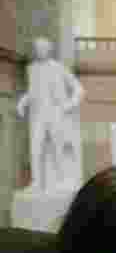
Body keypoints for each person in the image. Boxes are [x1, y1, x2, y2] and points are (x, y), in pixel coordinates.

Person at [15, 37, 84, 193]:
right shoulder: (31, 69)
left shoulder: (59, 68)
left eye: (43, 48)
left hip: (55, 113)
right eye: (37, 48)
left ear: (49, 50)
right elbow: (33, 91)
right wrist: (22, 103)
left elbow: (79, 89)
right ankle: (37, 182)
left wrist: (68, 105)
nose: (40, 51)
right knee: (35, 148)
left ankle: (60, 180)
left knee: (56, 148)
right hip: (37, 115)